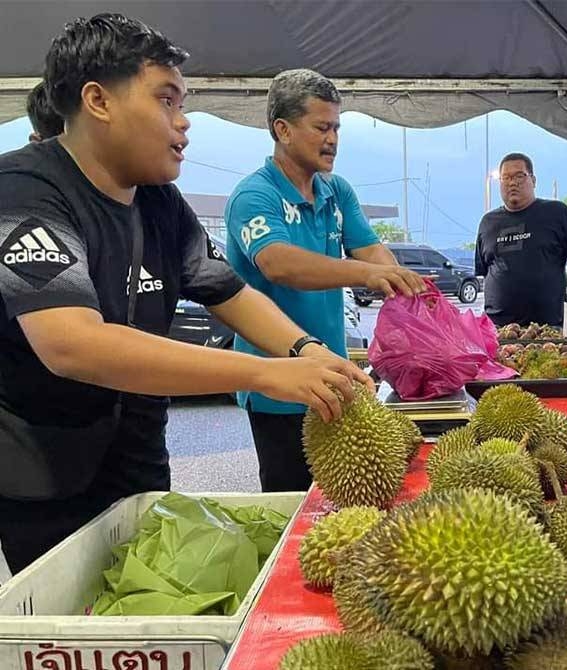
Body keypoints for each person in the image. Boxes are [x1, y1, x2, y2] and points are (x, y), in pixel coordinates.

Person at [0, 14, 371, 575]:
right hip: (43, 470)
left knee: (157, 600)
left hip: (138, 455)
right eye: (167, 101)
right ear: (98, 101)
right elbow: (71, 344)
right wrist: (260, 373)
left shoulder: (159, 202)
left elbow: (231, 292)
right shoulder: (25, 191)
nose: (185, 122)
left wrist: (303, 351)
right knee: (77, 629)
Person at [225, 69, 424, 493]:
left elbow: (371, 250)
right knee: (294, 499)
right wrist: (368, 273)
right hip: (278, 384)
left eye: (336, 127)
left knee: (349, 494)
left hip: (335, 373)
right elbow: (280, 264)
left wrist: (402, 286)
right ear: (283, 130)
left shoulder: (337, 191)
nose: (333, 139)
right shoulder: (254, 196)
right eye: (321, 127)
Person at [475, 152, 567, 329]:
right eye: (505, 177)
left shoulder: (557, 213)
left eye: (519, 176)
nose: (512, 182)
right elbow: (485, 271)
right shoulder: (487, 222)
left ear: (533, 180)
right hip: (497, 327)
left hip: (548, 326)